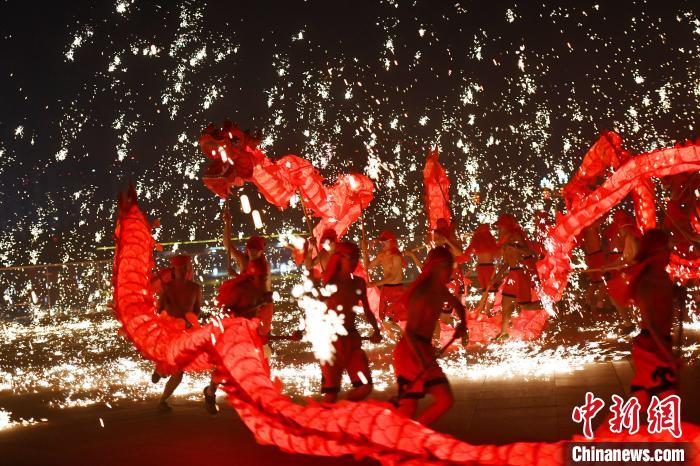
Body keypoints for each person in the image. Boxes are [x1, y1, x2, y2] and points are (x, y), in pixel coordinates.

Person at [393, 246, 467, 425]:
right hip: (410, 353)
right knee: (408, 408)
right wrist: (420, 361)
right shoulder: (422, 294)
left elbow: (458, 305)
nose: (451, 270)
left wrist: (463, 324)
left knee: (445, 400)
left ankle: (414, 436)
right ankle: (397, 441)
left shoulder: (440, 290)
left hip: (424, 350)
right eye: (448, 266)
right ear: (437, 267)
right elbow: (409, 333)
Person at [204, 258, 273, 414]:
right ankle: (210, 392)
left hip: (252, 338)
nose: (263, 280)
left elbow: (264, 322)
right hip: (232, 337)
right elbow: (226, 313)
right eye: (260, 277)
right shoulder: (240, 291)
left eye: (265, 277)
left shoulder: (265, 293)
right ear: (252, 276)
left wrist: (265, 337)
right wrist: (255, 306)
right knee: (222, 372)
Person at [320, 241, 382, 403]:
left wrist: (376, 330)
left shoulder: (359, 283)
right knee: (330, 396)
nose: (354, 262)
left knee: (365, 387)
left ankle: (345, 412)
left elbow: (367, 310)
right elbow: (316, 310)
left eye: (356, 258)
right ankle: (327, 421)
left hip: (352, 340)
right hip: (331, 343)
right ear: (340, 259)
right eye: (350, 258)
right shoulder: (329, 284)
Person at [624, 230, 678, 410]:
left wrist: (677, 293)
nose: (670, 253)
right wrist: (667, 354)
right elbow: (651, 324)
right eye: (667, 249)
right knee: (665, 396)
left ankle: (625, 429)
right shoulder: (646, 282)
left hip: (661, 342)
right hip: (651, 346)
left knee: (645, 395)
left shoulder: (663, 276)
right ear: (655, 253)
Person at [151, 255, 202, 411]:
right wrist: (166, 309)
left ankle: (162, 400)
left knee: (179, 372)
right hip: (168, 333)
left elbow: (197, 310)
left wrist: (189, 320)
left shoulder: (195, 288)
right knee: (171, 365)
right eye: (180, 268)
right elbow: (159, 309)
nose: (184, 270)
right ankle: (160, 370)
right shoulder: (167, 287)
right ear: (174, 269)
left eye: (186, 267)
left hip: (185, 334)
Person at [493, 214, 535, 342]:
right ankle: (504, 332)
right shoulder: (505, 240)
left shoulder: (516, 236)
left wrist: (515, 247)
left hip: (521, 273)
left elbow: (528, 251)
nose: (498, 229)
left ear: (506, 226)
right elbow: (507, 261)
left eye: (500, 226)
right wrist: (498, 275)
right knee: (506, 304)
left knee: (525, 306)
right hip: (512, 273)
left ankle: (547, 305)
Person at [603, 210, 640, 331]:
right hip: (629, 272)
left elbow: (635, 258)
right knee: (618, 296)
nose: (619, 231)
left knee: (617, 295)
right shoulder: (628, 238)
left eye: (620, 229)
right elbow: (624, 257)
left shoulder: (632, 238)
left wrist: (624, 265)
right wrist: (609, 265)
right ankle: (631, 322)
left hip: (633, 273)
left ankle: (631, 323)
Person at [363, 230, 406, 326]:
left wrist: (373, 284)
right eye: (381, 241)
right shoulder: (381, 256)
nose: (382, 243)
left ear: (392, 242)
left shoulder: (396, 257)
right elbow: (367, 266)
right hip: (385, 290)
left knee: (393, 321)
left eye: (385, 241)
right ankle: (396, 339)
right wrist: (365, 249)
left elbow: (392, 277)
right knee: (385, 322)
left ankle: (402, 339)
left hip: (397, 291)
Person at [460, 224, 500, 293]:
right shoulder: (490, 240)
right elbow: (497, 255)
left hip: (480, 267)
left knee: (485, 290)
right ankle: (489, 303)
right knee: (491, 290)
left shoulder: (476, 239)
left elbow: (467, 252)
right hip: (488, 267)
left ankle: (486, 303)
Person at [580, 219, 606, 312]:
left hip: (590, 257)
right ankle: (600, 305)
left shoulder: (583, 228)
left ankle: (588, 303)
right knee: (604, 281)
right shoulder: (590, 225)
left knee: (595, 283)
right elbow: (601, 221)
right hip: (597, 256)